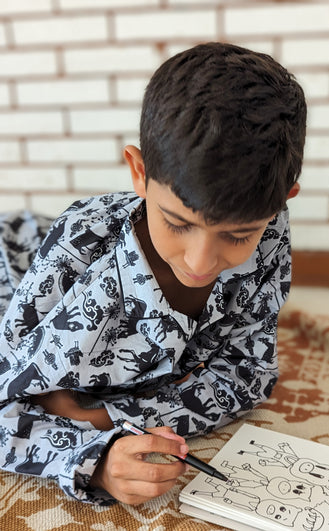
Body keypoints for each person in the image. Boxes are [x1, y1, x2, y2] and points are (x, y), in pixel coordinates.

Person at [0, 42, 306, 506]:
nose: (200, 263)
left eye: (237, 235)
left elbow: (246, 375)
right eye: (178, 223)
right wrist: (95, 459)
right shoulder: (78, 249)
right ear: (139, 172)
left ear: (284, 200)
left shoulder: (270, 233)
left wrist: (101, 417)